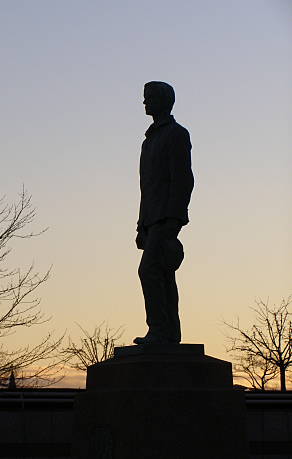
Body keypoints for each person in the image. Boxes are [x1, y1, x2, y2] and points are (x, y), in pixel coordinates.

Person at [134, 81, 194, 345]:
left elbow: (183, 179)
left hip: (166, 218)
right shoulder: (149, 141)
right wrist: (141, 225)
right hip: (152, 219)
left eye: (148, 98)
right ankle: (169, 333)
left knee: (149, 271)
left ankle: (160, 330)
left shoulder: (176, 134)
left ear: (163, 100)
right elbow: (147, 187)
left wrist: (174, 218)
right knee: (162, 273)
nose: (144, 102)